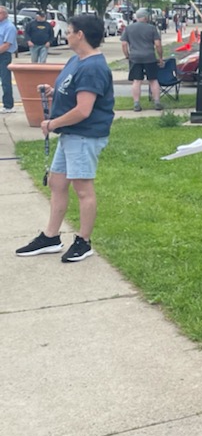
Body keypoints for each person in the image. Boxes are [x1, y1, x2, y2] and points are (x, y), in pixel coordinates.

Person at [15, 15, 115, 262]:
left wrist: (52, 123)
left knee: (83, 189)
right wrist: (53, 92)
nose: (66, 35)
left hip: (83, 136)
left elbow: (83, 110)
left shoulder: (93, 67)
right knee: (57, 184)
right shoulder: (76, 60)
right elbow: (72, 91)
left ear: (80, 34)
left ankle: (84, 241)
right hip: (70, 136)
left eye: (69, 31)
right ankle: (51, 236)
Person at [120, 9, 164, 111]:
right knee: (153, 80)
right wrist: (160, 57)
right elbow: (158, 44)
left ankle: (136, 104)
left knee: (137, 81)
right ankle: (157, 102)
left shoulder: (129, 28)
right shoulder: (152, 28)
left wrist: (127, 55)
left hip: (135, 57)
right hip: (150, 57)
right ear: (145, 17)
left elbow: (123, 44)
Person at [0, 6, 16, 113]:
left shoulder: (9, 27)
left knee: (5, 80)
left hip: (4, 55)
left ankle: (8, 105)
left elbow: (7, 45)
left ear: (5, 14)